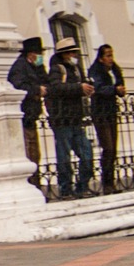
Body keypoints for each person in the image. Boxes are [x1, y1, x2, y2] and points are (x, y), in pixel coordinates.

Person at [47, 39, 96, 198]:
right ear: (64, 54)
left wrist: (87, 87)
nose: (74, 55)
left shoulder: (76, 69)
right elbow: (55, 88)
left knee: (87, 154)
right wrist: (79, 87)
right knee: (64, 156)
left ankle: (82, 187)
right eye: (71, 52)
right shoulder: (57, 69)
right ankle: (66, 189)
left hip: (76, 117)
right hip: (62, 119)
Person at [7, 37, 47, 185]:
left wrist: (41, 69)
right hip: (24, 115)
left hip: (32, 115)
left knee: (35, 153)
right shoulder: (20, 66)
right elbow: (18, 86)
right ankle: (32, 183)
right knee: (30, 152)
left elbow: (45, 80)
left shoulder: (35, 66)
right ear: (31, 54)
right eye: (39, 54)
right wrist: (36, 89)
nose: (41, 57)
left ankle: (36, 183)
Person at [89, 44, 126, 193]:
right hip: (100, 112)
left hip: (111, 110)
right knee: (108, 147)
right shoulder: (95, 71)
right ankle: (107, 183)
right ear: (101, 58)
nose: (111, 58)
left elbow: (120, 85)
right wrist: (114, 89)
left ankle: (111, 182)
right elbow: (97, 89)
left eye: (112, 55)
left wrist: (120, 90)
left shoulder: (114, 70)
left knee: (113, 149)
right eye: (108, 55)